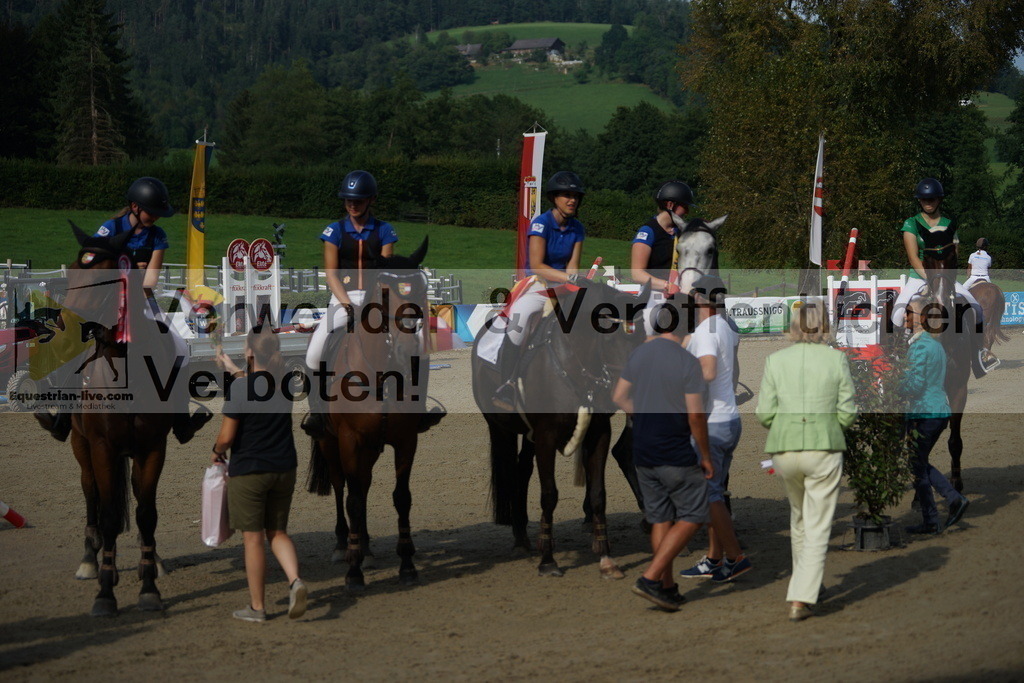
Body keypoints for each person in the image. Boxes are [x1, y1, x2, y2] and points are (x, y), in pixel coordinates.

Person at [38, 177, 211, 443]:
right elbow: (95, 265)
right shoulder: (110, 229)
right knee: (75, 347)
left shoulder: (158, 236)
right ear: (134, 207)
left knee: (178, 348)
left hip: (142, 301)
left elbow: (151, 279)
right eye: (150, 211)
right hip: (105, 302)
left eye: (157, 213)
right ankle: (63, 417)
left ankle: (181, 420)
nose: (155, 217)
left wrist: (131, 276)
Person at [755, 302, 856, 622]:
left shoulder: (774, 360)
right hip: (822, 447)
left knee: (799, 520)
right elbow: (848, 412)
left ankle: (808, 585)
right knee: (816, 525)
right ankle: (801, 596)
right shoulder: (836, 359)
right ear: (824, 325)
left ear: (794, 326)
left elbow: (764, 413)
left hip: (785, 449)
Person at [612, 303, 713, 612]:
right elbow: (696, 415)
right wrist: (706, 455)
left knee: (660, 518)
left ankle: (665, 588)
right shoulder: (687, 361)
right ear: (686, 328)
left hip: (642, 449)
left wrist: (642, 418)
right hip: (674, 450)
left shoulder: (639, 354)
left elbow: (618, 396)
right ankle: (651, 576)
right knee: (695, 514)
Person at [213, 325, 307, 622]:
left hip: (250, 471)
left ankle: (257, 607)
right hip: (284, 468)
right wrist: (232, 369)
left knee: (253, 540)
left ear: (250, 352)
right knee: (278, 533)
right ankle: (295, 580)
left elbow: (227, 438)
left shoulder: (240, 389)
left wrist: (216, 450)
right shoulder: (287, 383)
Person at [302, 170, 397, 438]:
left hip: (376, 301)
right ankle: (318, 414)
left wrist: (377, 306)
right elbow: (331, 274)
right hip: (342, 300)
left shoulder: (384, 230)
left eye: (358, 199)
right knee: (314, 352)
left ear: (371, 200)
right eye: (348, 200)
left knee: (411, 345)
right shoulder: (334, 231)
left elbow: (385, 272)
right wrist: (347, 306)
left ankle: (415, 407)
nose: (352, 204)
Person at [490, 171, 586, 411]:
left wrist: (576, 282)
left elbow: (573, 265)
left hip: (565, 287)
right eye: (566, 195)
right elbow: (537, 266)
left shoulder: (578, 228)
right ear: (554, 198)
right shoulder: (541, 223)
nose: (572, 200)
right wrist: (570, 277)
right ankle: (508, 385)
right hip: (538, 286)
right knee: (517, 326)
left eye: (575, 196)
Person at [677, 275, 751, 583]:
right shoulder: (725, 327)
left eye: (695, 296)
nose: (692, 300)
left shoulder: (706, 331)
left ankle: (735, 558)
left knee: (710, 496)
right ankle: (714, 557)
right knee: (716, 492)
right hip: (730, 418)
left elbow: (706, 372)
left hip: (713, 423)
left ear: (702, 299)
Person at [890, 178, 994, 375]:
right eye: (924, 199)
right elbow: (913, 257)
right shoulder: (911, 223)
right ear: (919, 200)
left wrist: (943, 278)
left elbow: (953, 255)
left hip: (946, 278)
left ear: (939, 200)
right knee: (896, 314)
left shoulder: (949, 224)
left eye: (932, 199)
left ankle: (978, 355)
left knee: (975, 308)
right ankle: (897, 355)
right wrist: (931, 278)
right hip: (919, 277)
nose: (928, 202)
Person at [902, 297, 971, 536]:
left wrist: (889, 383)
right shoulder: (935, 344)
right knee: (918, 462)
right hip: (938, 410)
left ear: (922, 318)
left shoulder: (919, 346)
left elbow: (915, 385)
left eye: (909, 313)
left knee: (917, 464)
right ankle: (940, 511)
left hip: (925, 412)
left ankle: (950, 502)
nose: (904, 317)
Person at [630, 181, 694, 336]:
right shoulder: (648, 232)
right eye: (684, 207)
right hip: (654, 296)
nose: (687, 211)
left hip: (679, 295)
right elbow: (637, 274)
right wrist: (666, 285)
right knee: (649, 328)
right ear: (670, 205)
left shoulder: (682, 232)